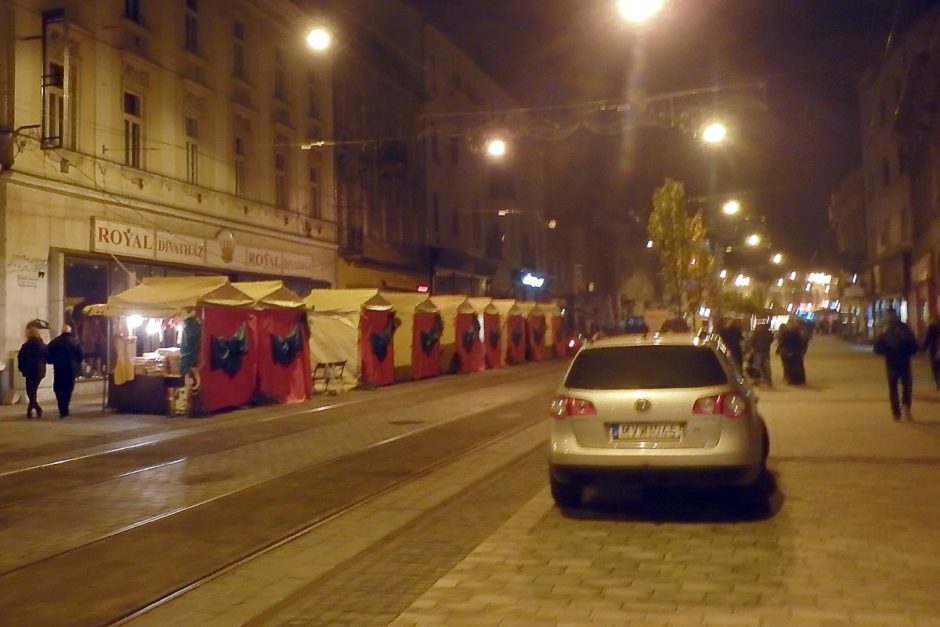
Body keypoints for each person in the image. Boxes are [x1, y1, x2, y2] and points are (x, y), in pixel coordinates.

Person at [873, 309, 920, 421]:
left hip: (891, 363)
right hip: (904, 361)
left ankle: (896, 413)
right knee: (907, 386)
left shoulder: (884, 330)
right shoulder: (905, 328)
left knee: (893, 387)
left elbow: (877, 349)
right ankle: (906, 407)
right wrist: (907, 353)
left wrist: (887, 352)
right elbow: (914, 346)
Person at [46, 323, 84, 418]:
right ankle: (65, 406)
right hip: (71, 369)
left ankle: (61, 406)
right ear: (70, 332)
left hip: (59, 368)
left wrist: (52, 361)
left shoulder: (55, 342)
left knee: (58, 388)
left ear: (62, 332)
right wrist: (77, 364)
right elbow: (81, 355)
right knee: (68, 388)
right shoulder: (75, 342)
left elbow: (47, 354)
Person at [16, 326, 48, 419]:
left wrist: (21, 368)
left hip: (29, 371)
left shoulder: (25, 346)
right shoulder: (42, 345)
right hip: (39, 371)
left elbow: (20, 358)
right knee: (32, 391)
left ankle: (31, 411)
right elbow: (47, 357)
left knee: (30, 391)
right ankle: (36, 409)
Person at [747, 322, 775, 387]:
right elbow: (771, 339)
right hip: (765, 351)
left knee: (757, 366)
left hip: (758, 351)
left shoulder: (756, 333)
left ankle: (758, 380)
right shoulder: (768, 333)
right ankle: (768, 381)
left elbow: (752, 341)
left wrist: (752, 348)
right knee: (766, 367)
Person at [925, 317, 940, 391]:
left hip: (935, 349)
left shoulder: (932, 326)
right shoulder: (932, 326)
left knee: (935, 367)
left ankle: (937, 383)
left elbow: (928, 339)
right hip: (935, 349)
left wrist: (923, 348)